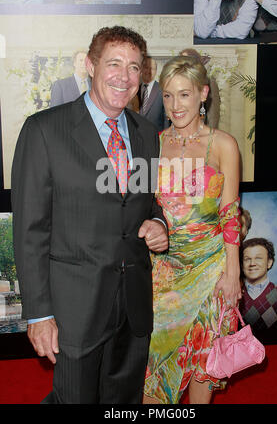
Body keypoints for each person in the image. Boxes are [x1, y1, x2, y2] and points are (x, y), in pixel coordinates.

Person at [11, 26, 168, 404]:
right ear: (89, 65)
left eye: (134, 67)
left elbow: (146, 203)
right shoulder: (44, 130)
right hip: (73, 312)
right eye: (113, 64)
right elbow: (30, 232)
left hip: (132, 309)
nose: (124, 77)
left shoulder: (147, 133)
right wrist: (38, 315)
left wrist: (159, 223)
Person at [143, 55, 242, 405]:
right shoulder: (151, 143)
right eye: (168, 96)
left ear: (203, 94)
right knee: (155, 366)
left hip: (210, 269)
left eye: (184, 95)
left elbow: (230, 214)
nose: (175, 105)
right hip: (164, 272)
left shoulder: (223, 145)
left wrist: (233, 273)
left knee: (203, 362)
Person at [239, 237, 277, 336]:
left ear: (269, 262)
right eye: (247, 259)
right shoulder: (235, 293)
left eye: (258, 258)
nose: (252, 263)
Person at [179, 48, 221, 128]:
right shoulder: (179, 82)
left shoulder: (209, 81)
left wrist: (210, 136)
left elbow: (213, 115)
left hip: (201, 132)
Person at [137, 56, 169, 132]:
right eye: (146, 67)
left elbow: (166, 118)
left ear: (156, 70)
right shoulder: (134, 90)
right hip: (136, 138)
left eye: (152, 68)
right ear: (141, 69)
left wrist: (165, 137)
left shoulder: (163, 89)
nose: (149, 71)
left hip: (157, 137)